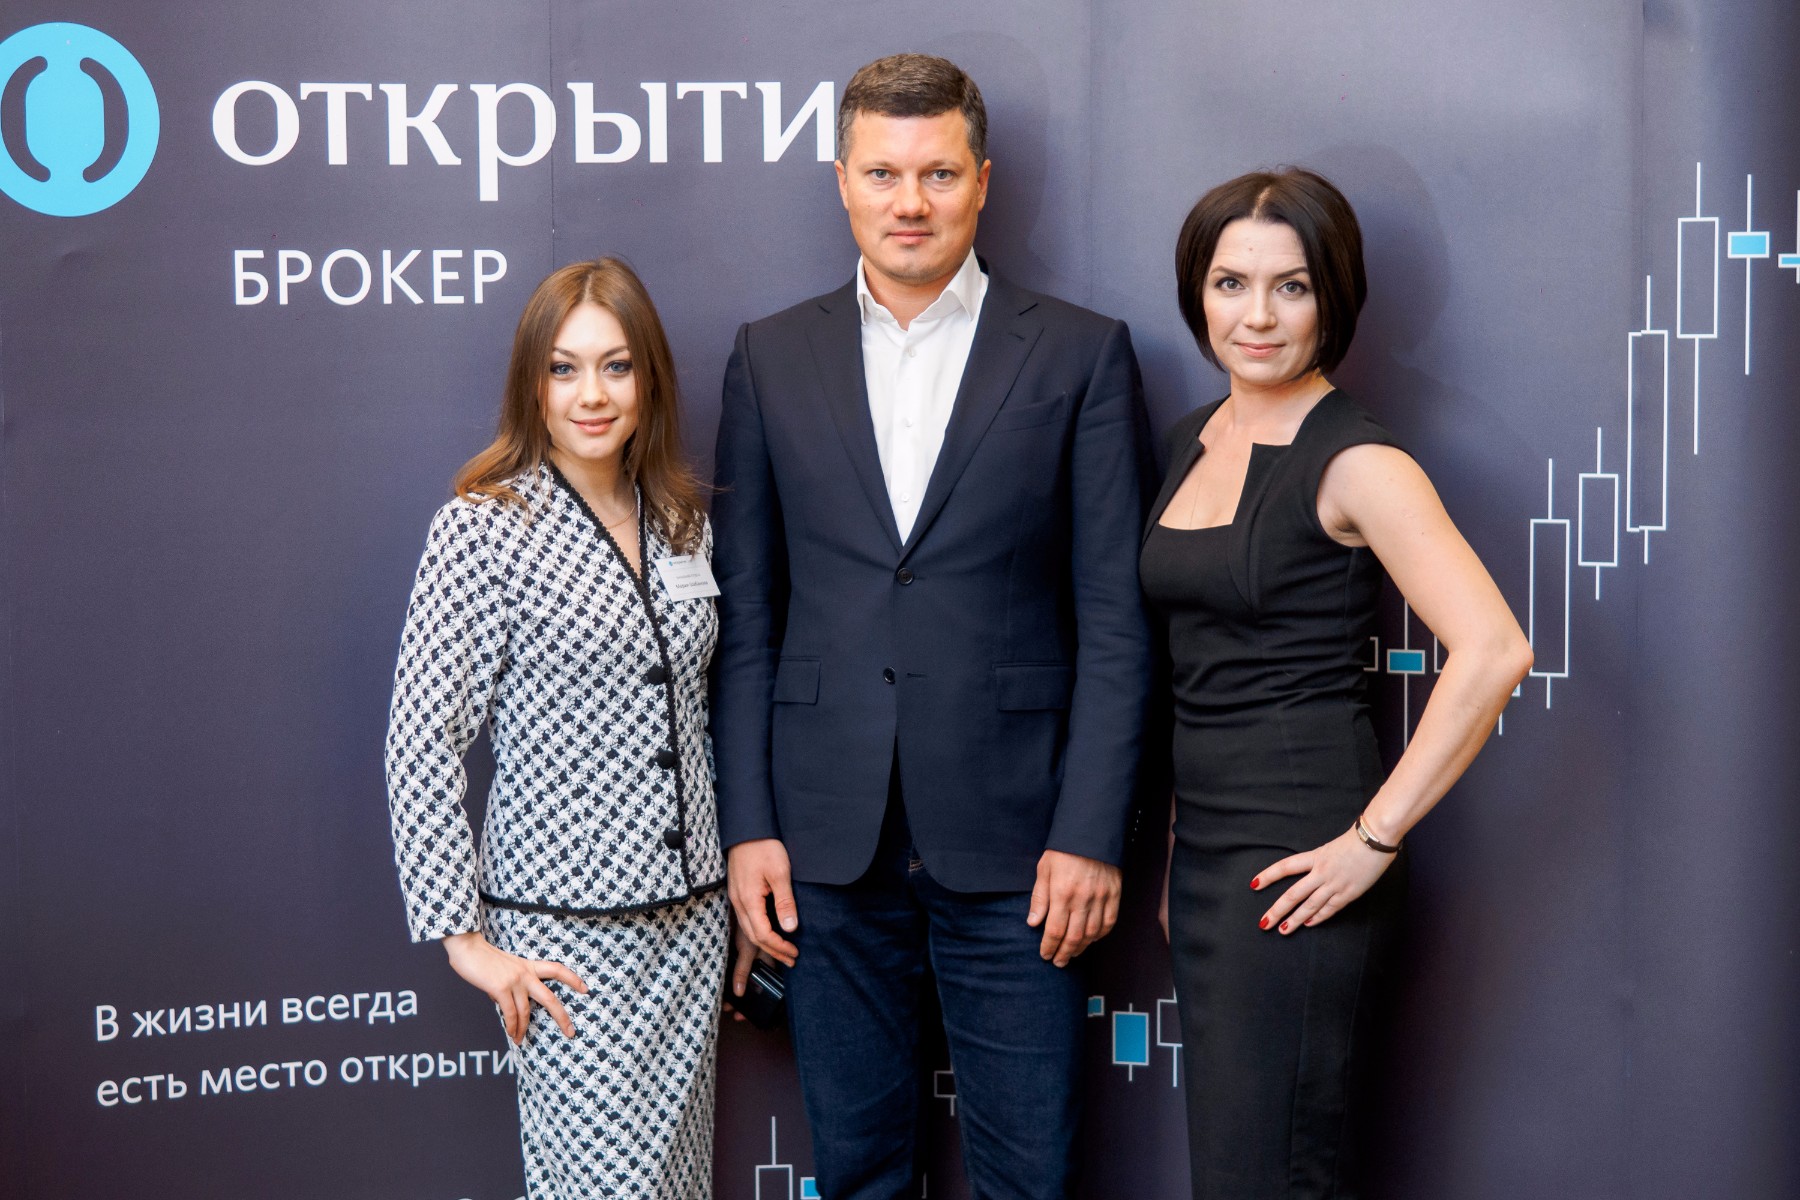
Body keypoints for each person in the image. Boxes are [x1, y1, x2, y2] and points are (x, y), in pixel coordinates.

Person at [711, 53, 1154, 1199]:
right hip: (823, 844)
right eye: (883, 173)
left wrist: (1092, 831)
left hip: (1024, 847)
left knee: (1030, 1180)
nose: (910, 201)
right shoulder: (769, 356)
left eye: (939, 173)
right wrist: (748, 826)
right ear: (842, 182)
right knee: (857, 1175)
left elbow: (1116, 621)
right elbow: (749, 618)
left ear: (982, 181)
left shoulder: (1080, 353)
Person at [1142, 167, 1534, 1199]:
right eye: (1231, 284)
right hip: (1209, 856)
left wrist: (1372, 839)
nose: (1258, 317)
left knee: (1271, 1176)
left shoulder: (1358, 461)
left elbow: (1494, 649)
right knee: (1238, 1170)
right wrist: (1180, 844)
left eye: (1293, 287)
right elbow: (1196, 665)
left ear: (1334, 299)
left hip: (1301, 854)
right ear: (1197, 293)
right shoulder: (1192, 438)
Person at [384, 257, 727, 1199]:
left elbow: (699, 714)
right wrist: (463, 938)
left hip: (692, 925)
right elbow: (422, 739)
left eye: (616, 366)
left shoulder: (682, 522)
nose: (592, 395)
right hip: (564, 942)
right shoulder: (482, 528)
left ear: (649, 378)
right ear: (532, 385)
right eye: (564, 369)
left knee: (679, 1183)